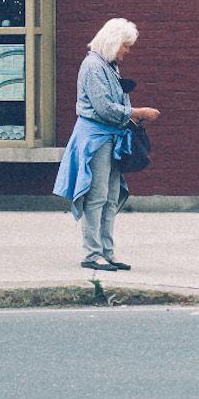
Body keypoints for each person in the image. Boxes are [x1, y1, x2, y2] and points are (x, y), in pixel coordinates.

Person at [53, 17, 160, 273]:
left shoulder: (108, 66)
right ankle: (92, 253)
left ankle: (107, 252)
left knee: (111, 197)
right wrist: (138, 112)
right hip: (96, 139)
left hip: (110, 138)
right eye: (126, 45)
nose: (127, 51)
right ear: (113, 42)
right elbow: (102, 108)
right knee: (97, 197)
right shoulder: (92, 65)